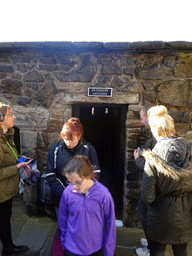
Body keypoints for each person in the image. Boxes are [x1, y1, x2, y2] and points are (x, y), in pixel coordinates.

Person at [140, 105, 192, 256]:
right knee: (181, 250)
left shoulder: (153, 157)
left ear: (157, 131)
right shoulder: (189, 152)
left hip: (160, 215)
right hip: (185, 214)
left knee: (157, 251)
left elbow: (147, 195)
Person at [59, 155, 116, 256]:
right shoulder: (67, 192)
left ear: (88, 176)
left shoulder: (104, 195)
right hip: (71, 248)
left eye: (77, 182)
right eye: (70, 182)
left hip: (95, 248)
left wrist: (108, 252)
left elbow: (111, 225)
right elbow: (63, 218)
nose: (74, 187)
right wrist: (64, 242)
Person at [46, 117, 100, 218]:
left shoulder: (88, 149)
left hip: (83, 200)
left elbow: (95, 173)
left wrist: (81, 193)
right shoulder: (56, 149)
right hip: (61, 198)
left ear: (79, 136)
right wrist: (66, 194)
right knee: (64, 228)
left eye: (72, 139)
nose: (68, 143)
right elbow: (50, 174)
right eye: (66, 139)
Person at [0, 102, 31, 256]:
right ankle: (8, 249)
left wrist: (21, 159)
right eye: (10, 114)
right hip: (1, 193)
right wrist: (17, 167)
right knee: (3, 221)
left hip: (6, 190)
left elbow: (9, 157)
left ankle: (9, 246)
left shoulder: (6, 135)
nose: (14, 117)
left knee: (6, 220)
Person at [133, 104, 157, 255]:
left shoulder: (157, 137)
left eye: (142, 118)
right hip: (148, 185)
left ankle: (151, 249)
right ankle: (150, 242)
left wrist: (137, 159)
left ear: (150, 117)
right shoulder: (153, 134)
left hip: (151, 186)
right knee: (144, 212)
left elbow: (153, 166)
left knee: (145, 213)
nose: (141, 122)